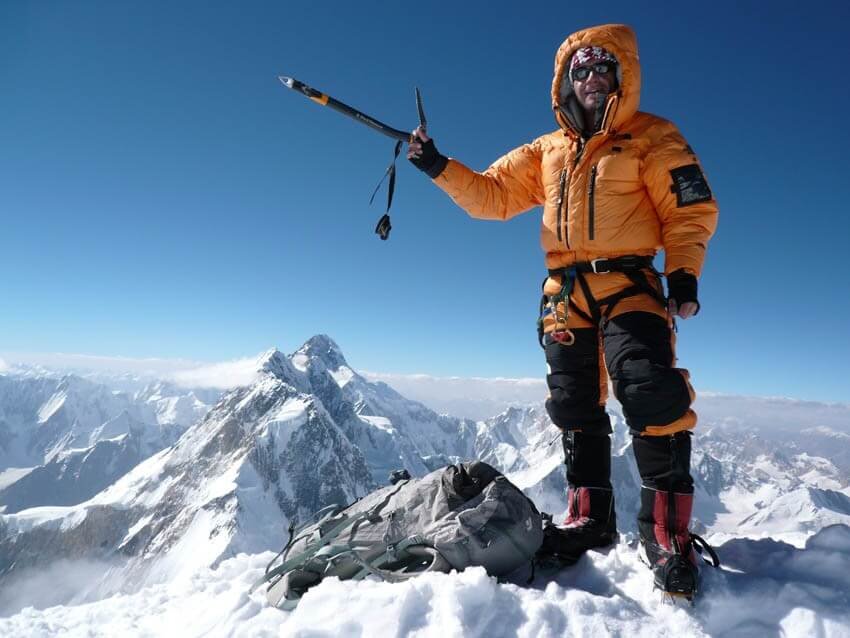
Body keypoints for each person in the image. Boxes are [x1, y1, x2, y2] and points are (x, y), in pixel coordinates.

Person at [408, 23, 718, 597]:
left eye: (604, 69)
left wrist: (683, 272)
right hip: (565, 292)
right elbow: (493, 196)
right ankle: (590, 518)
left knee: (651, 390)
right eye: (582, 70)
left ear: (622, 77)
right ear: (565, 81)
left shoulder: (653, 137)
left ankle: (667, 535)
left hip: (630, 282)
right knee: (573, 404)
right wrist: (436, 165)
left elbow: (688, 210)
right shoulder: (547, 151)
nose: (593, 79)